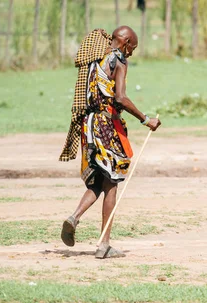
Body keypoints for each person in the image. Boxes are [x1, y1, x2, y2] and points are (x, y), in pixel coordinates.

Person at [58, 26, 161, 259]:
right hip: (105, 127)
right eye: (132, 48)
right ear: (124, 43)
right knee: (112, 183)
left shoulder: (95, 59)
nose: (131, 54)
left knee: (97, 182)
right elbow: (120, 98)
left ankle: (74, 217)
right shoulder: (119, 61)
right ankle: (104, 244)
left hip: (89, 127)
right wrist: (146, 120)